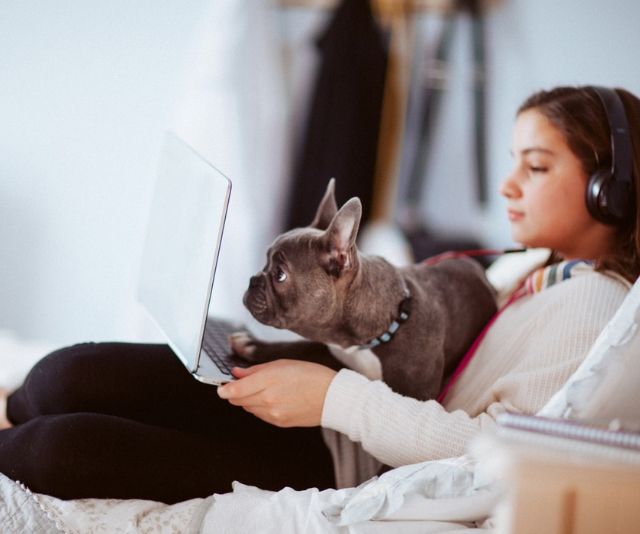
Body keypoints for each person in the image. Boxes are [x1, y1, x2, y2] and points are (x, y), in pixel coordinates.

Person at [0, 85, 639, 507]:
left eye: (535, 166)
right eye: (511, 161)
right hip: (335, 393)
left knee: (60, 452)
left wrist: (334, 398)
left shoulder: (594, 310)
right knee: (64, 373)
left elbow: (495, 456)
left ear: (609, 190)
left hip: (345, 456)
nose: (506, 185)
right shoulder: (537, 274)